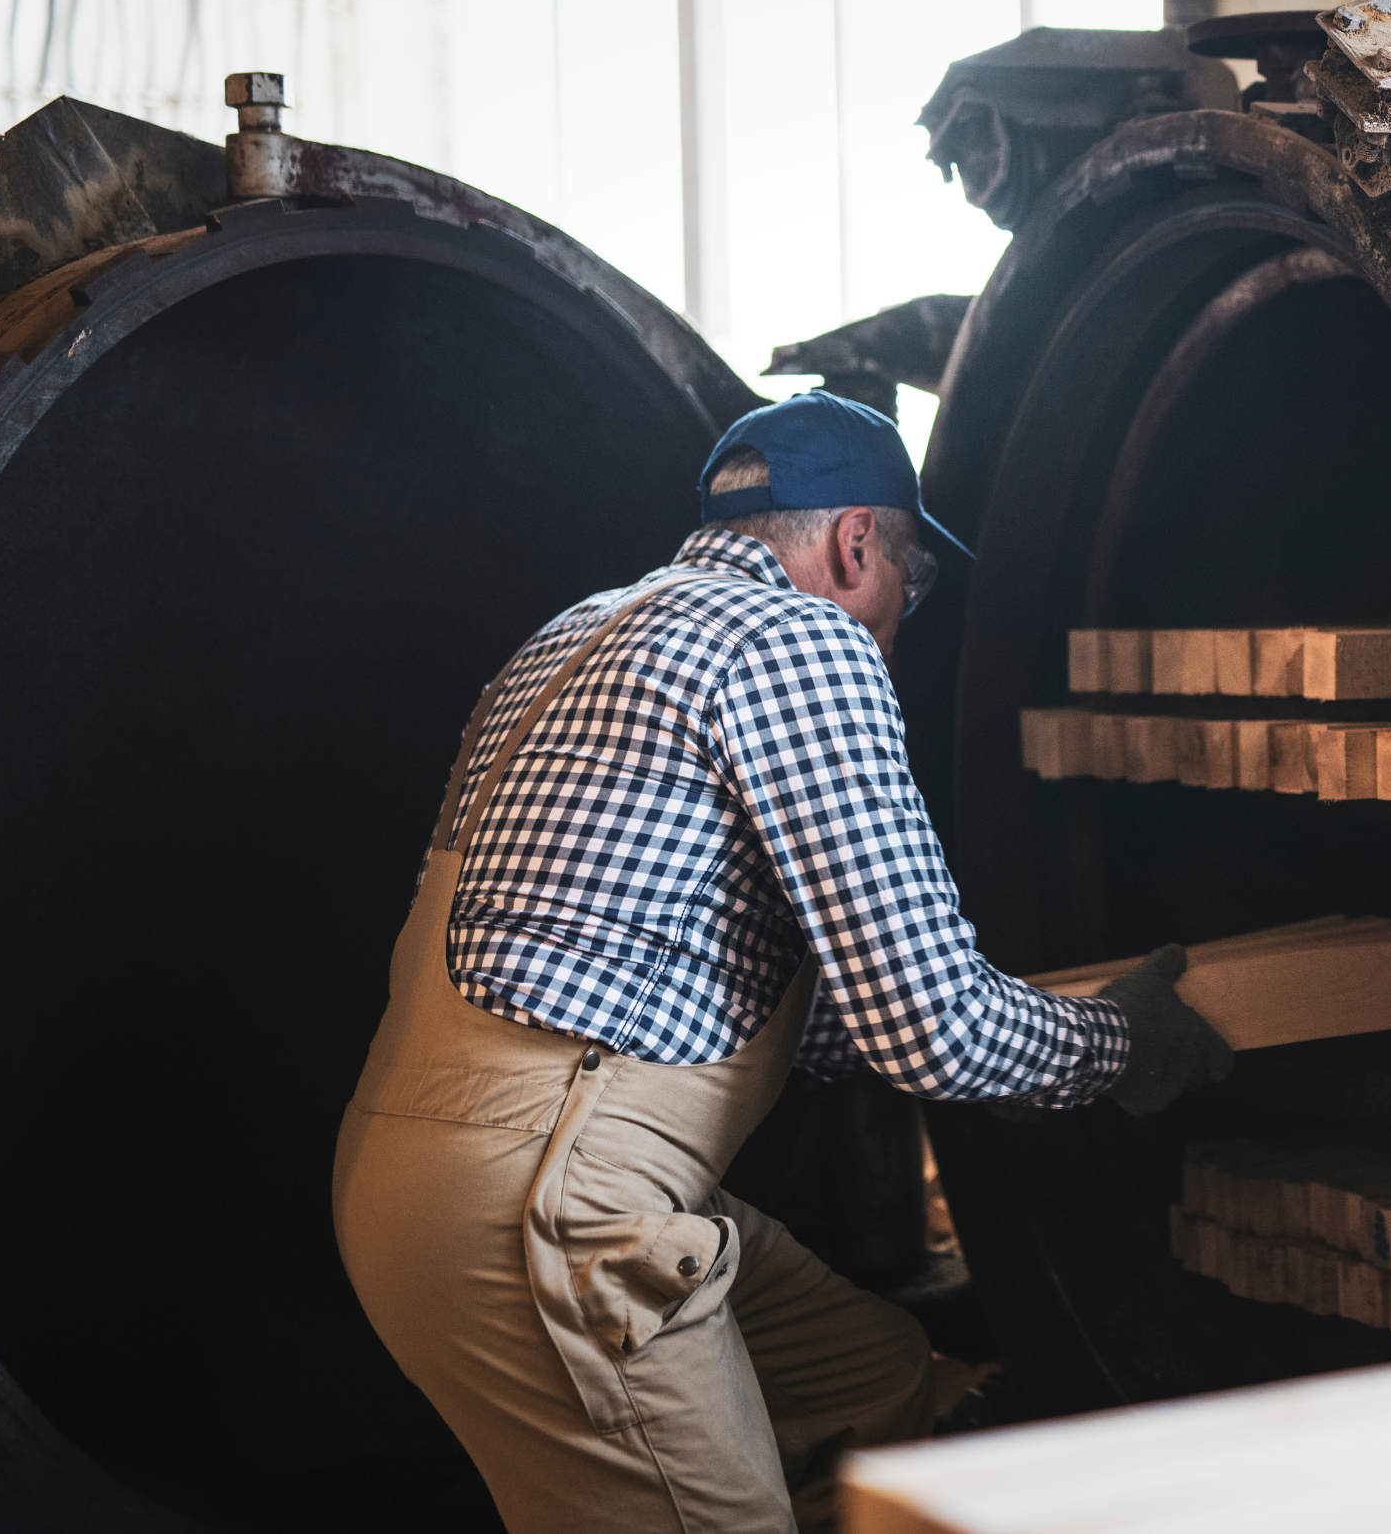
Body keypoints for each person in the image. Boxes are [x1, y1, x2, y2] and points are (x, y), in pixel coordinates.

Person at [332, 391, 1229, 1534]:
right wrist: (1115, 1041)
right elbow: (933, 1028)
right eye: (913, 581)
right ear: (858, 541)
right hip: (552, 1207)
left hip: (402, 1183)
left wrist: (1007, 1052)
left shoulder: (572, 635)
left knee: (872, 1386)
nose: (903, 617)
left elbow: (628, 963)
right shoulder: (802, 643)